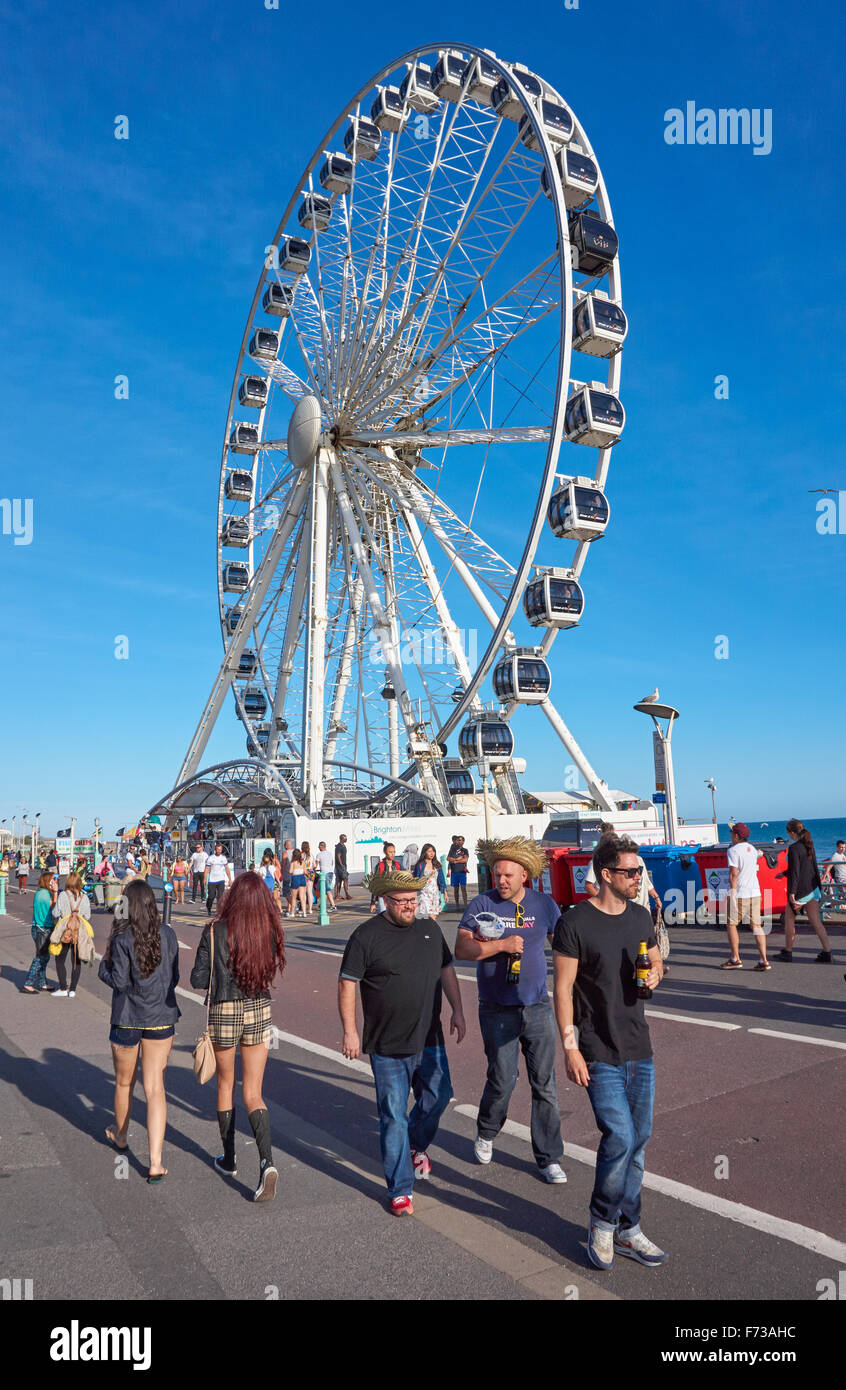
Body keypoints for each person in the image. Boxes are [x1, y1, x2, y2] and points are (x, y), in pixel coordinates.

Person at [552, 834, 667, 1271]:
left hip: (639, 1045)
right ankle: (602, 1222)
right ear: (607, 875)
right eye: (632, 872)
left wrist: (656, 975)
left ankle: (629, 1229)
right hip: (597, 1047)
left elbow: (655, 962)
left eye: (640, 872)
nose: (639, 878)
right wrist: (570, 1048)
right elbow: (561, 989)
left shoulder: (640, 916)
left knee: (638, 1141)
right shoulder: (575, 922)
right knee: (618, 1137)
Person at [338, 866, 466, 1215]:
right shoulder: (366, 937)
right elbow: (348, 983)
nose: (411, 906)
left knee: (438, 1097)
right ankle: (400, 1188)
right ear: (384, 900)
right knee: (392, 1115)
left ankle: (415, 1144)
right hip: (387, 1044)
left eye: (414, 899)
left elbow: (446, 969)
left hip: (429, 1036)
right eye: (403, 901)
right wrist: (350, 1030)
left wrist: (457, 1009)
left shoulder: (429, 928)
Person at [453, 836, 566, 1184]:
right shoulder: (481, 904)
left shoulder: (544, 905)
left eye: (507, 876)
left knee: (544, 1084)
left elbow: (562, 947)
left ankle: (548, 1158)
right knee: (503, 1079)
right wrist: (500, 945)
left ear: (524, 876)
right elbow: (461, 949)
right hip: (496, 1007)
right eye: (496, 874)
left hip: (537, 1007)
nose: (500, 881)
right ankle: (487, 1131)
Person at [190, 871, 285, 1201]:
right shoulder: (267, 932)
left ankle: (229, 1159)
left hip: (225, 1011)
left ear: (232, 898)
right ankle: (267, 1163)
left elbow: (197, 978)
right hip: (259, 1008)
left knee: (226, 1084)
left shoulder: (215, 930)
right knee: (254, 1092)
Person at [98, 879, 180, 1181]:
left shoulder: (122, 938)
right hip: (161, 1016)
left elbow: (118, 981)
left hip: (127, 1018)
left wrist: (102, 968)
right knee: (155, 1087)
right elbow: (174, 977)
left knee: (124, 1084)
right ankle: (156, 1161)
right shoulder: (168, 935)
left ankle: (120, 1136)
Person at [778, 819, 833, 963]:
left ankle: (788, 952)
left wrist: (792, 893)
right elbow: (810, 866)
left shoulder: (794, 848)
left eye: (788, 832)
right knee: (816, 921)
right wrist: (784, 873)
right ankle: (828, 953)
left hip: (801, 891)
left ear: (791, 832)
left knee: (789, 919)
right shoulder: (809, 845)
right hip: (813, 888)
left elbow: (795, 872)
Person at [722, 822, 770, 970]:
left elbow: (733, 874)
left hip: (740, 892)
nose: (730, 835)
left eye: (731, 833)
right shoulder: (753, 849)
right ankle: (763, 960)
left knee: (731, 924)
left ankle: (735, 958)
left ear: (736, 835)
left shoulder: (733, 851)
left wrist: (733, 893)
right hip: (755, 892)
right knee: (756, 926)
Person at [49, 871, 94, 998]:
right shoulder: (84, 897)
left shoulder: (63, 895)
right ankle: (72, 989)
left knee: (60, 960)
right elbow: (88, 916)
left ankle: (63, 987)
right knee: (76, 961)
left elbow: (56, 913)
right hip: (79, 932)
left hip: (65, 931)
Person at [22, 869, 58, 993]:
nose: (55, 881)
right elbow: (53, 907)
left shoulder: (41, 893)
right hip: (42, 929)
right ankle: (28, 982)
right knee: (40, 956)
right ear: (47, 881)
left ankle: (42, 982)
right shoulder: (44, 894)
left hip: (40, 928)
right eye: (53, 879)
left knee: (45, 957)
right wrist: (56, 892)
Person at [413, 844, 446, 919]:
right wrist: (416, 894)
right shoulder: (420, 865)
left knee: (433, 916)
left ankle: (431, 930)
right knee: (428, 915)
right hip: (424, 893)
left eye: (433, 851)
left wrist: (445, 893)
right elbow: (416, 879)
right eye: (429, 851)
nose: (432, 853)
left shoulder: (437, 865)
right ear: (425, 852)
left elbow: (441, 879)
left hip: (435, 894)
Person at [204, 842, 232, 918]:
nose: (219, 851)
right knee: (211, 896)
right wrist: (204, 878)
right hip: (212, 880)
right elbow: (206, 869)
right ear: (215, 850)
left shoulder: (223, 858)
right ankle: (208, 907)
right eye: (217, 850)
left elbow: (227, 869)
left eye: (220, 850)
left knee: (220, 897)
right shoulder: (210, 858)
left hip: (220, 880)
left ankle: (218, 912)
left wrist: (230, 879)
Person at [369, 842, 397, 912]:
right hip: (383, 896)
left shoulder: (397, 865)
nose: (392, 854)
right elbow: (375, 884)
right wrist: (373, 903)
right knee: (383, 916)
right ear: (385, 852)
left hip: (395, 896)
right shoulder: (380, 865)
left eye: (394, 852)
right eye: (390, 852)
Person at [448, 835, 470, 908]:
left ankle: (465, 905)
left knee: (463, 888)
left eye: (460, 840)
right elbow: (448, 858)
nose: (459, 841)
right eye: (458, 840)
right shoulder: (452, 850)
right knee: (456, 889)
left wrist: (456, 860)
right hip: (454, 872)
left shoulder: (465, 850)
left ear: (463, 841)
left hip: (462, 872)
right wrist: (458, 859)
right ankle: (457, 905)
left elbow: (465, 860)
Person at [824, 840, 846, 907]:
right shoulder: (835, 856)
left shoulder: (843, 855)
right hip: (840, 878)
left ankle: (830, 906)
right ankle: (830, 906)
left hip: (844, 878)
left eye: (844, 847)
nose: (843, 849)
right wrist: (823, 877)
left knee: (843, 898)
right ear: (837, 847)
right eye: (841, 847)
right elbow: (829, 866)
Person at [315, 841, 336, 910]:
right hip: (330, 872)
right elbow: (332, 863)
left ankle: (333, 905)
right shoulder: (330, 853)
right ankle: (322, 904)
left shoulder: (319, 854)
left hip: (324, 874)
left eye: (319, 846)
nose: (318, 848)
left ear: (321, 846)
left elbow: (315, 865)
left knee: (327, 889)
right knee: (324, 889)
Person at [289, 849, 308, 917]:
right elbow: (305, 872)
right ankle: (304, 913)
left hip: (295, 878)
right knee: (302, 897)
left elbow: (290, 871)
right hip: (302, 877)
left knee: (293, 897)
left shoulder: (293, 862)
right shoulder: (302, 861)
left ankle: (292, 913)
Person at [334, 834, 352, 900]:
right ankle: (346, 894)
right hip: (341, 866)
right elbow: (338, 856)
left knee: (340, 880)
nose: (346, 839)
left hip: (343, 865)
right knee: (345, 879)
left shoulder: (343, 846)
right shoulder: (339, 846)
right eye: (345, 838)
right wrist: (341, 865)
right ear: (342, 838)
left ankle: (338, 895)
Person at [301, 841, 316, 913]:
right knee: (310, 891)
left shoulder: (302, 855)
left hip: (304, 872)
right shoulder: (312, 855)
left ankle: (303, 908)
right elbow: (315, 865)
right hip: (311, 872)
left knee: (303, 892)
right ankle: (310, 909)